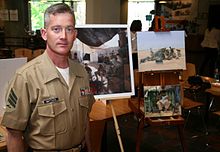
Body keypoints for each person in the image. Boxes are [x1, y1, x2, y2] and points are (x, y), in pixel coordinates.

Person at [1, 3, 95, 152]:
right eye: (56, 29)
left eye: (69, 29)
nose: (63, 36)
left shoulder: (82, 72)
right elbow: (13, 134)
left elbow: (85, 120)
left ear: (75, 34)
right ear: (44, 34)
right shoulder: (25, 77)